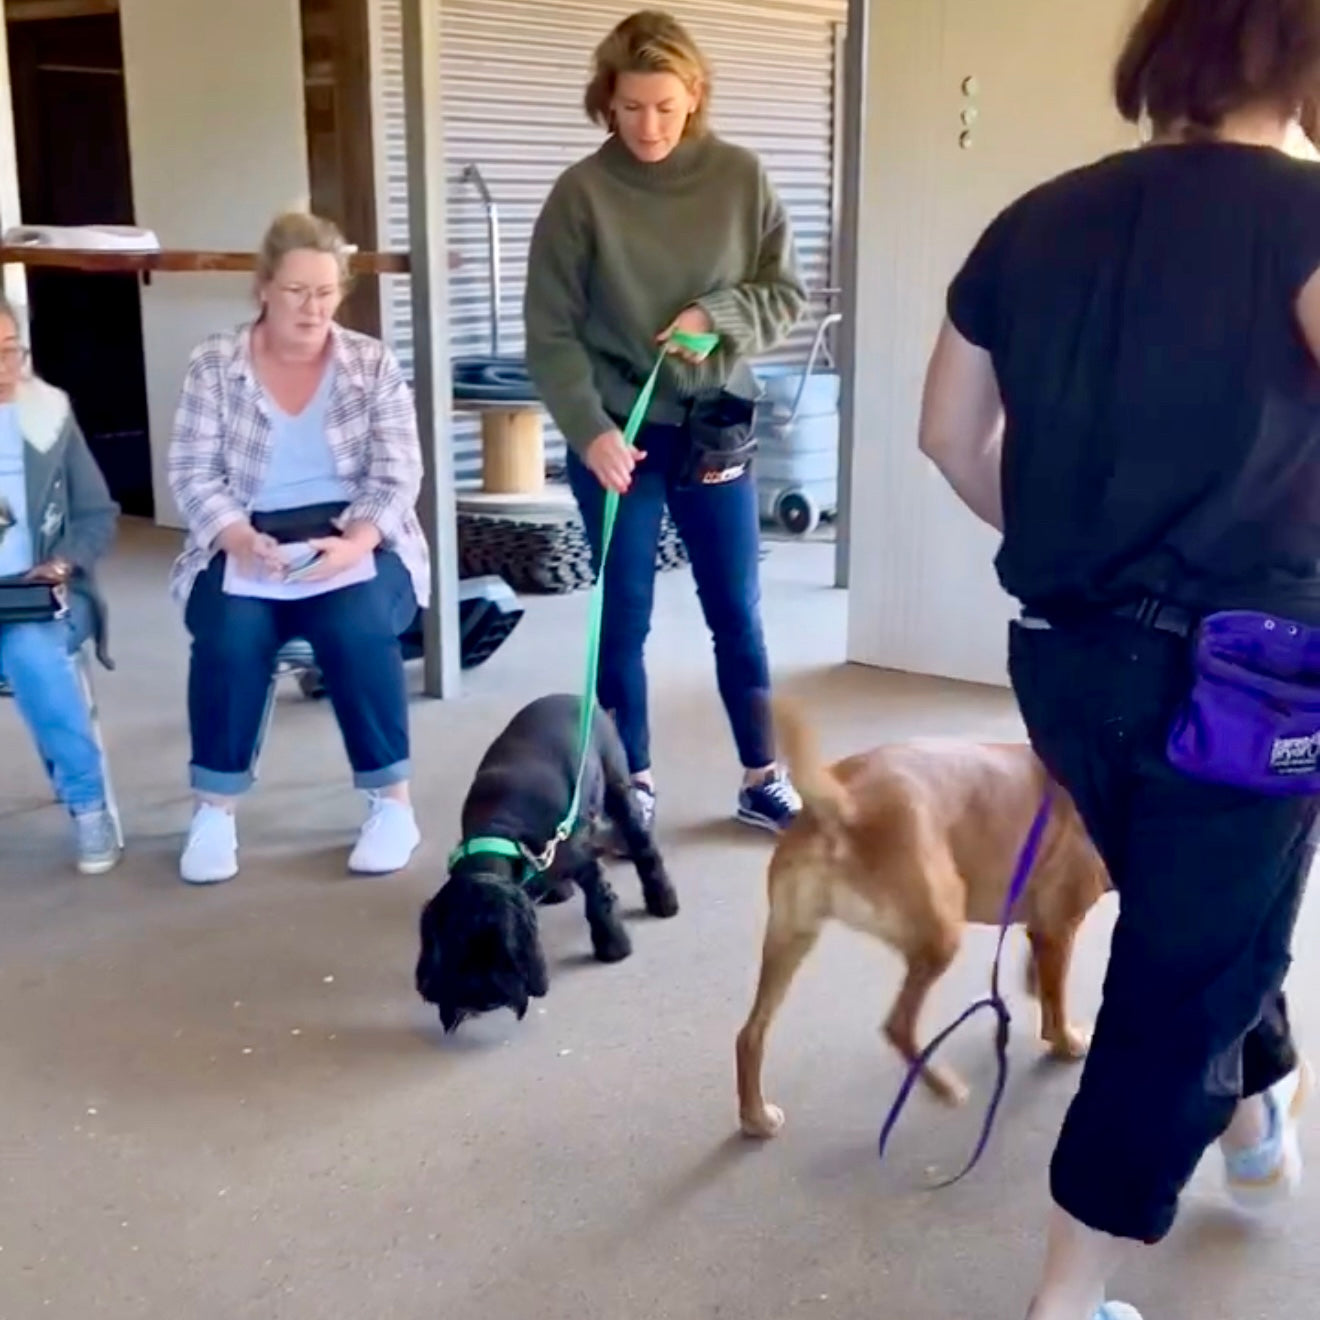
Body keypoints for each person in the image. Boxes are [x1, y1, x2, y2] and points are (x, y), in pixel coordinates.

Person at [917, 2, 1320, 1317]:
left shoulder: (1036, 218)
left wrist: (1062, 538)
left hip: (1064, 661)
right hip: (1247, 679)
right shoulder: (1305, 220)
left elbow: (947, 435)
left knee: (1195, 915)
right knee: (1186, 971)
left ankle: (1253, 1127)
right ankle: (1067, 1300)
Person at [525, 9, 807, 836]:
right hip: (620, 431)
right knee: (626, 613)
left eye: (665, 106)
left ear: (695, 99)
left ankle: (762, 776)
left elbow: (784, 294)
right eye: (631, 106)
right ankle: (630, 783)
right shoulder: (582, 194)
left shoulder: (741, 178)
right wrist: (589, 431)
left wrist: (715, 315)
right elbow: (549, 332)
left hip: (715, 425)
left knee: (736, 608)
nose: (648, 125)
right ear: (605, 103)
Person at [168, 211, 428, 886]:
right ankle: (214, 811)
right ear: (262, 289)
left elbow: (399, 472)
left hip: (353, 532)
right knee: (230, 633)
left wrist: (356, 542)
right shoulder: (214, 363)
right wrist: (237, 537)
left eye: (325, 291)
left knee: (358, 623)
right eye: (295, 292)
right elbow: (192, 472)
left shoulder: (371, 362)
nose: (312, 307)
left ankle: (391, 803)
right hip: (246, 531)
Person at [0, 295, 120, 874]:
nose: (4, 368)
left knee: (30, 654)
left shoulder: (50, 414)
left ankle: (88, 803)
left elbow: (98, 513)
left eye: (9, 351)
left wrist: (63, 564)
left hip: (46, 595)